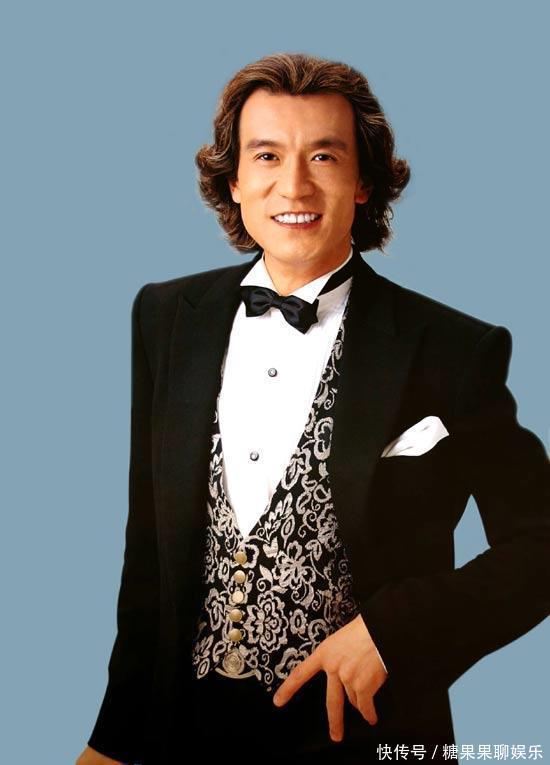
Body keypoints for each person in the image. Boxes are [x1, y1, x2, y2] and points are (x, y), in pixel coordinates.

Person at [76, 52, 550, 765]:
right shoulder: (166, 317)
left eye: (323, 156)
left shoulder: (453, 349)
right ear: (234, 180)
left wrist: (392, 633)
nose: (293, 185)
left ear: (364, 183)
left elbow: (541, 543)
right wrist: (111, 742)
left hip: (367, 739)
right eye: (266, 155)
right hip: (183, 740)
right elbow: (149, 557)